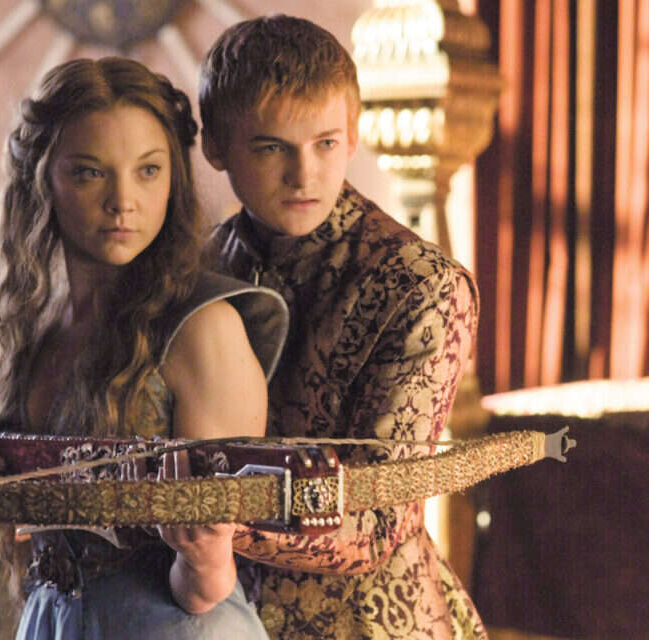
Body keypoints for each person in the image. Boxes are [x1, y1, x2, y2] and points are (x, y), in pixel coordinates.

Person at [0, 57, 287, 639]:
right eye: (89, 173)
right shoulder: (34, 331)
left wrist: (204, 556)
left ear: (174, 179)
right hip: (55, 620)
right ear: (42, 182)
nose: (123, 200)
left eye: (148, 170)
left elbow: (206, 586)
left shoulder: (204, 329)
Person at [198, 15, 486, 640]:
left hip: (371, 622)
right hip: (212, 614)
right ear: (215, 146)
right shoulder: (198, 266)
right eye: (271, 148)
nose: (303, 176)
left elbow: (377, 518)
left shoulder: (421, 285)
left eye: (325, 144)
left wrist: (199, 514)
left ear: (353, 135)